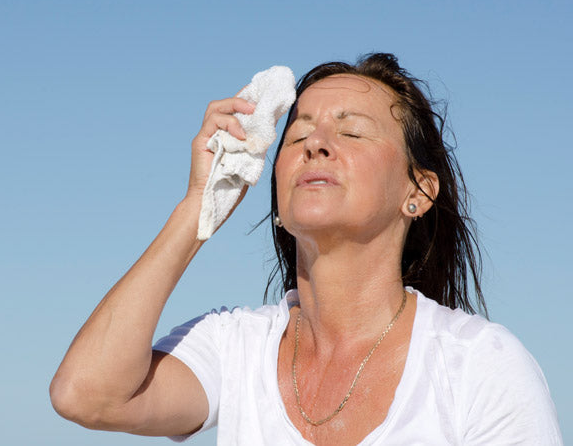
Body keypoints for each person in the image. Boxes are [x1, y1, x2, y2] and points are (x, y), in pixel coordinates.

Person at [50, 53, 562, 444]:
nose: (316, 144)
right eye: (296, 136)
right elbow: (87, 395)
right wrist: (197, 209)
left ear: (418, 192)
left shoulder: (479, 365)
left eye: (352, 131)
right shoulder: (235, 347)